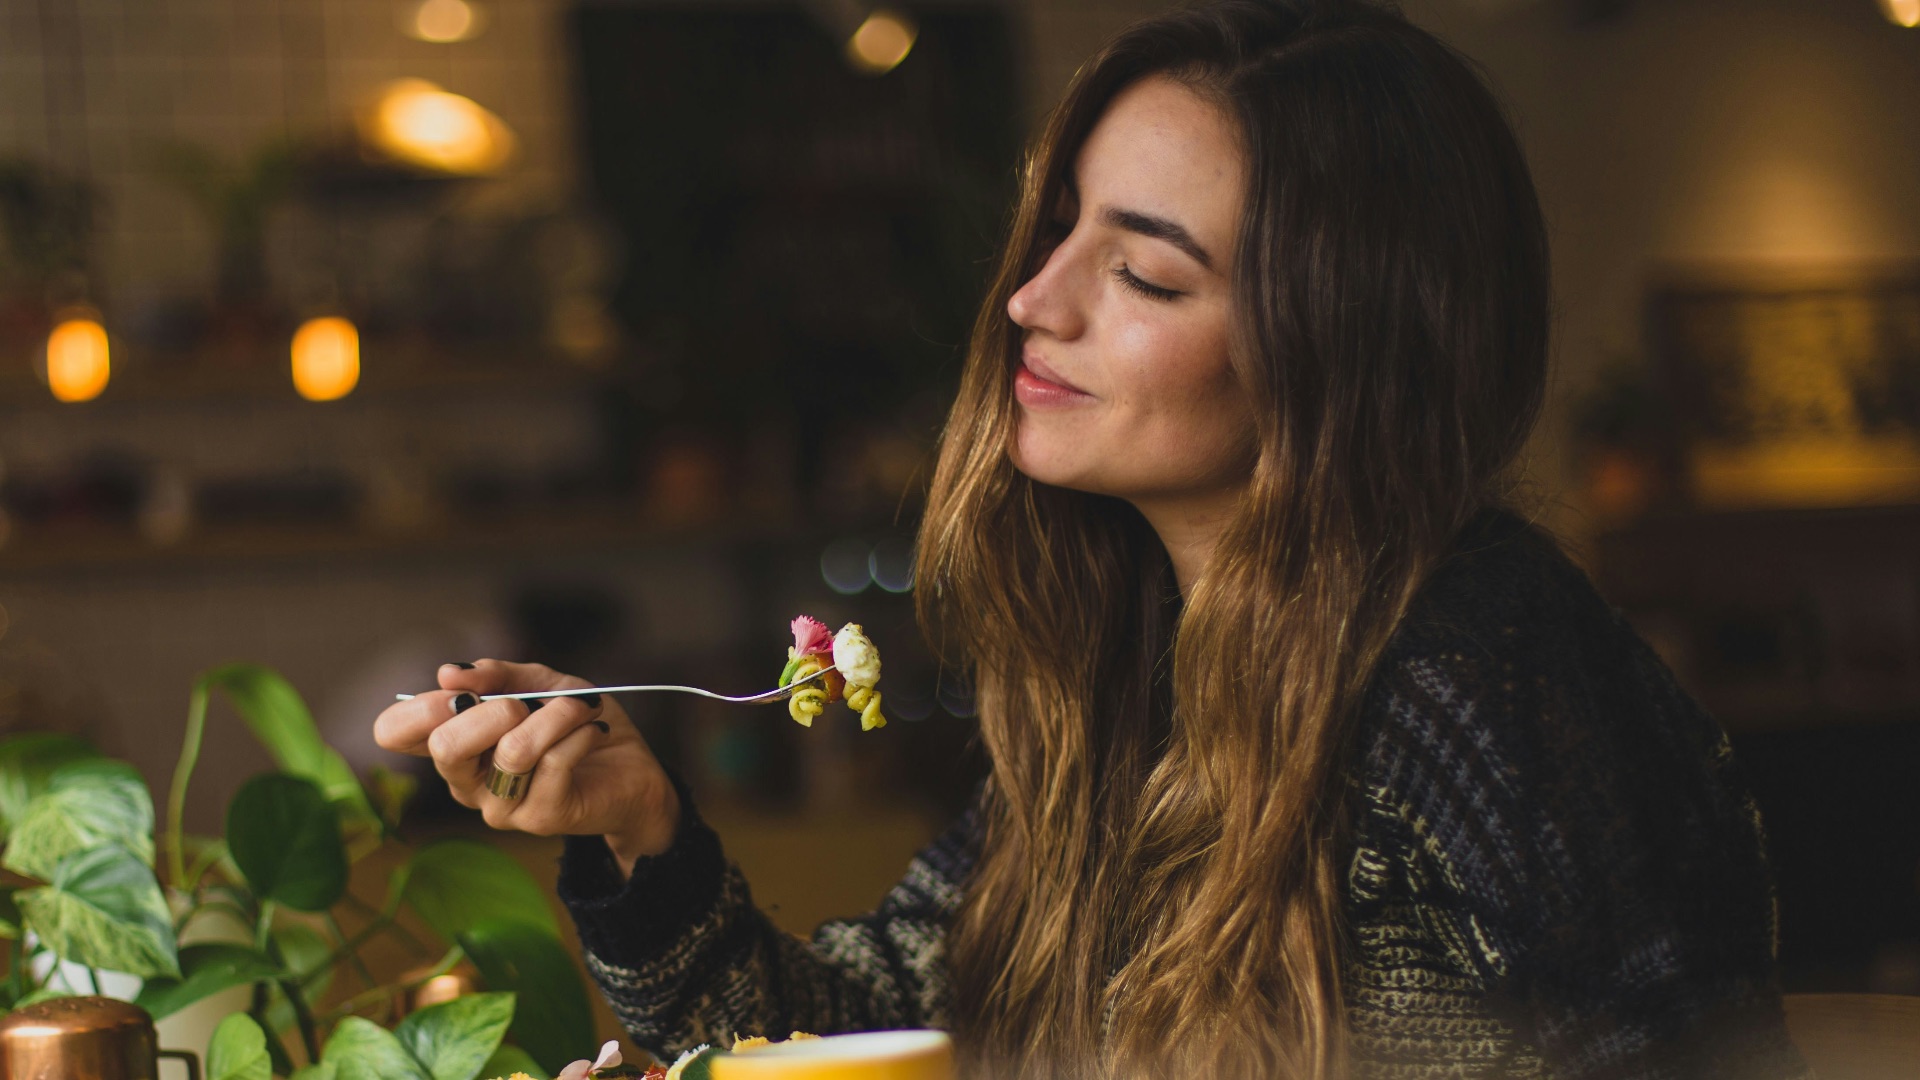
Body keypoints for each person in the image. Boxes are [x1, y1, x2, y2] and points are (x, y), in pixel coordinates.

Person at [373, 1, 1810, 1076]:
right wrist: (640, 831)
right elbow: (857, 1036)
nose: (1032, 300)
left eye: (1139, 272)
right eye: (1055, 230)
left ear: (1341, 347)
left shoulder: (1476, 668)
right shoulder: (1133, 680)